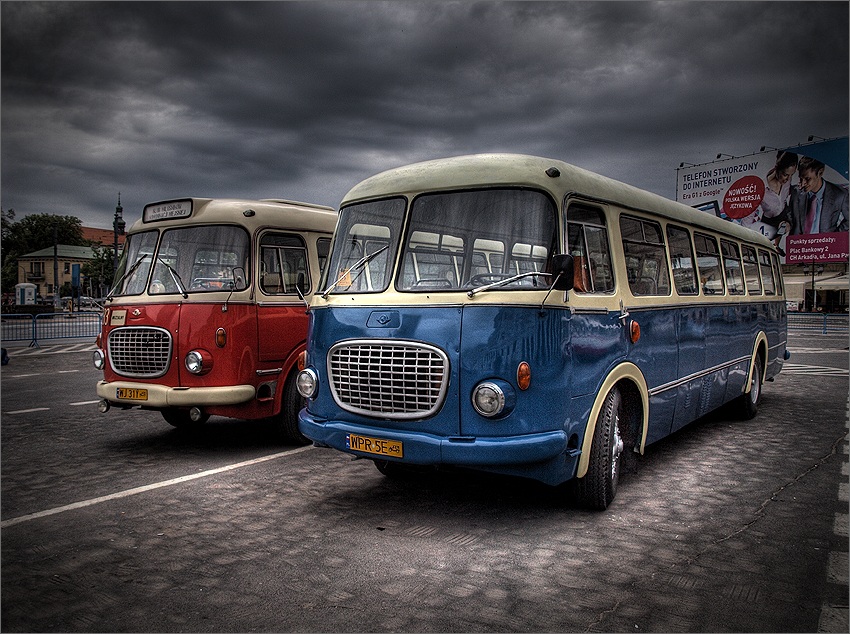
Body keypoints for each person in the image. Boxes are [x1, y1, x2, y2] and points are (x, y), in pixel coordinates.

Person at [782, 156, 849, 235]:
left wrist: (835, 235)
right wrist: (787, 224)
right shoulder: (795, 192)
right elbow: (791, 217)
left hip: (825, 245)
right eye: (801, 178)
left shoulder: (840, 194)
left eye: (807, 179)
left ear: (820, 173)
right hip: (798, 244)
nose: (803, 183)